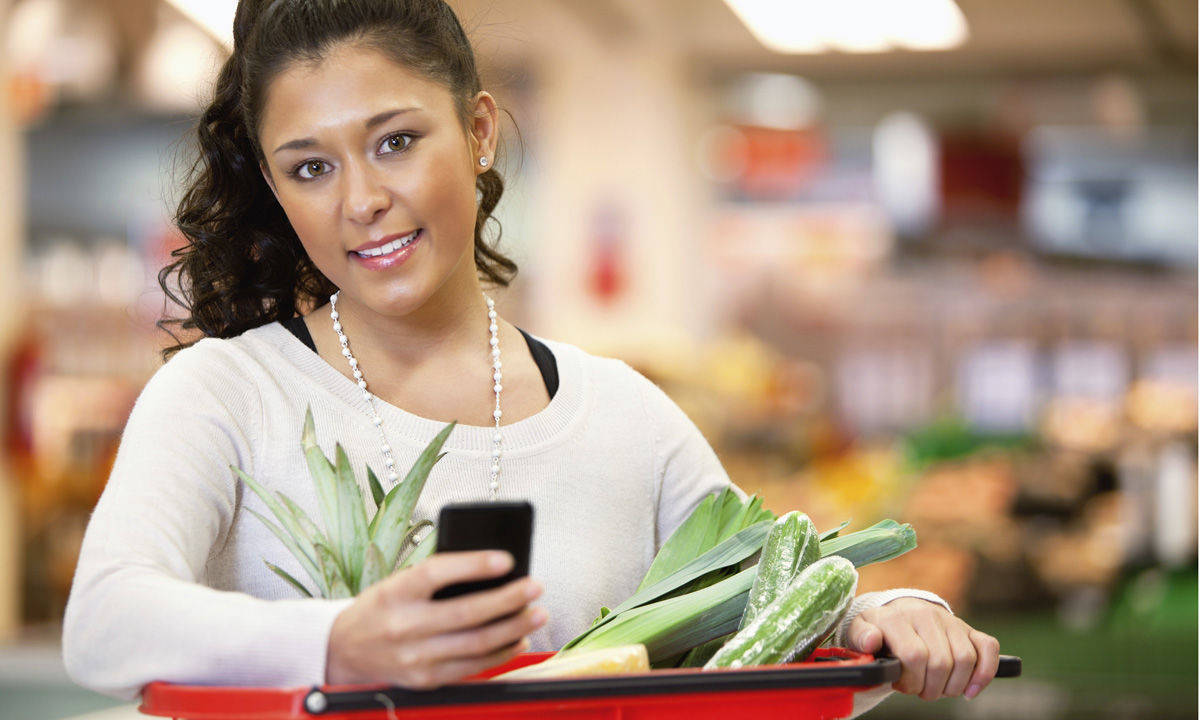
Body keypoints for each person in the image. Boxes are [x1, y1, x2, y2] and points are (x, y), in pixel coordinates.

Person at [61, 0, 1000, 711]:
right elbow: (104, 622)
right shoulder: (225, 396)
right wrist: (340, 643)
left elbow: (768, 612)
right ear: (273, 183)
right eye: (311, 166)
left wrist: (893, 611)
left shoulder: (625, 419)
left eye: (395, 141)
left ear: (476, 132)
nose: (360, 201)